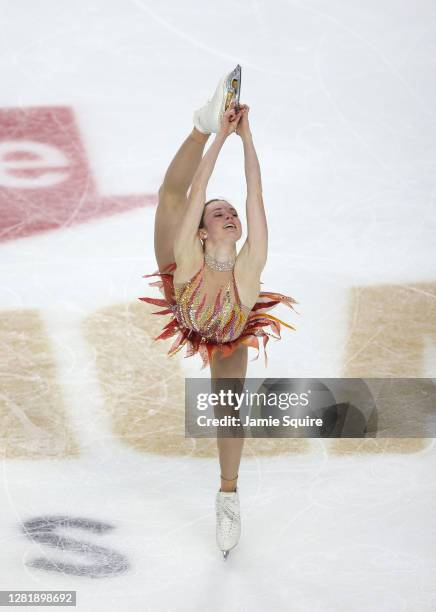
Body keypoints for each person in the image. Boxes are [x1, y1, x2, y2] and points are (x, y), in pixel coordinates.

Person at [139, 65, 299, 559]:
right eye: (218, 213)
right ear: (204, 231)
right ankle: (199, 122)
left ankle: (227, 496)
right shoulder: (187, 252)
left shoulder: (251, 266)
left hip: (230, 324)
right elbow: (192, 194)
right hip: (185, 289)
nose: (230, 215)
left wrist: (246, 140)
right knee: (170, 198)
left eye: (231, 214)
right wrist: (219, 137)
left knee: (229, 409)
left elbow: (256, 194)